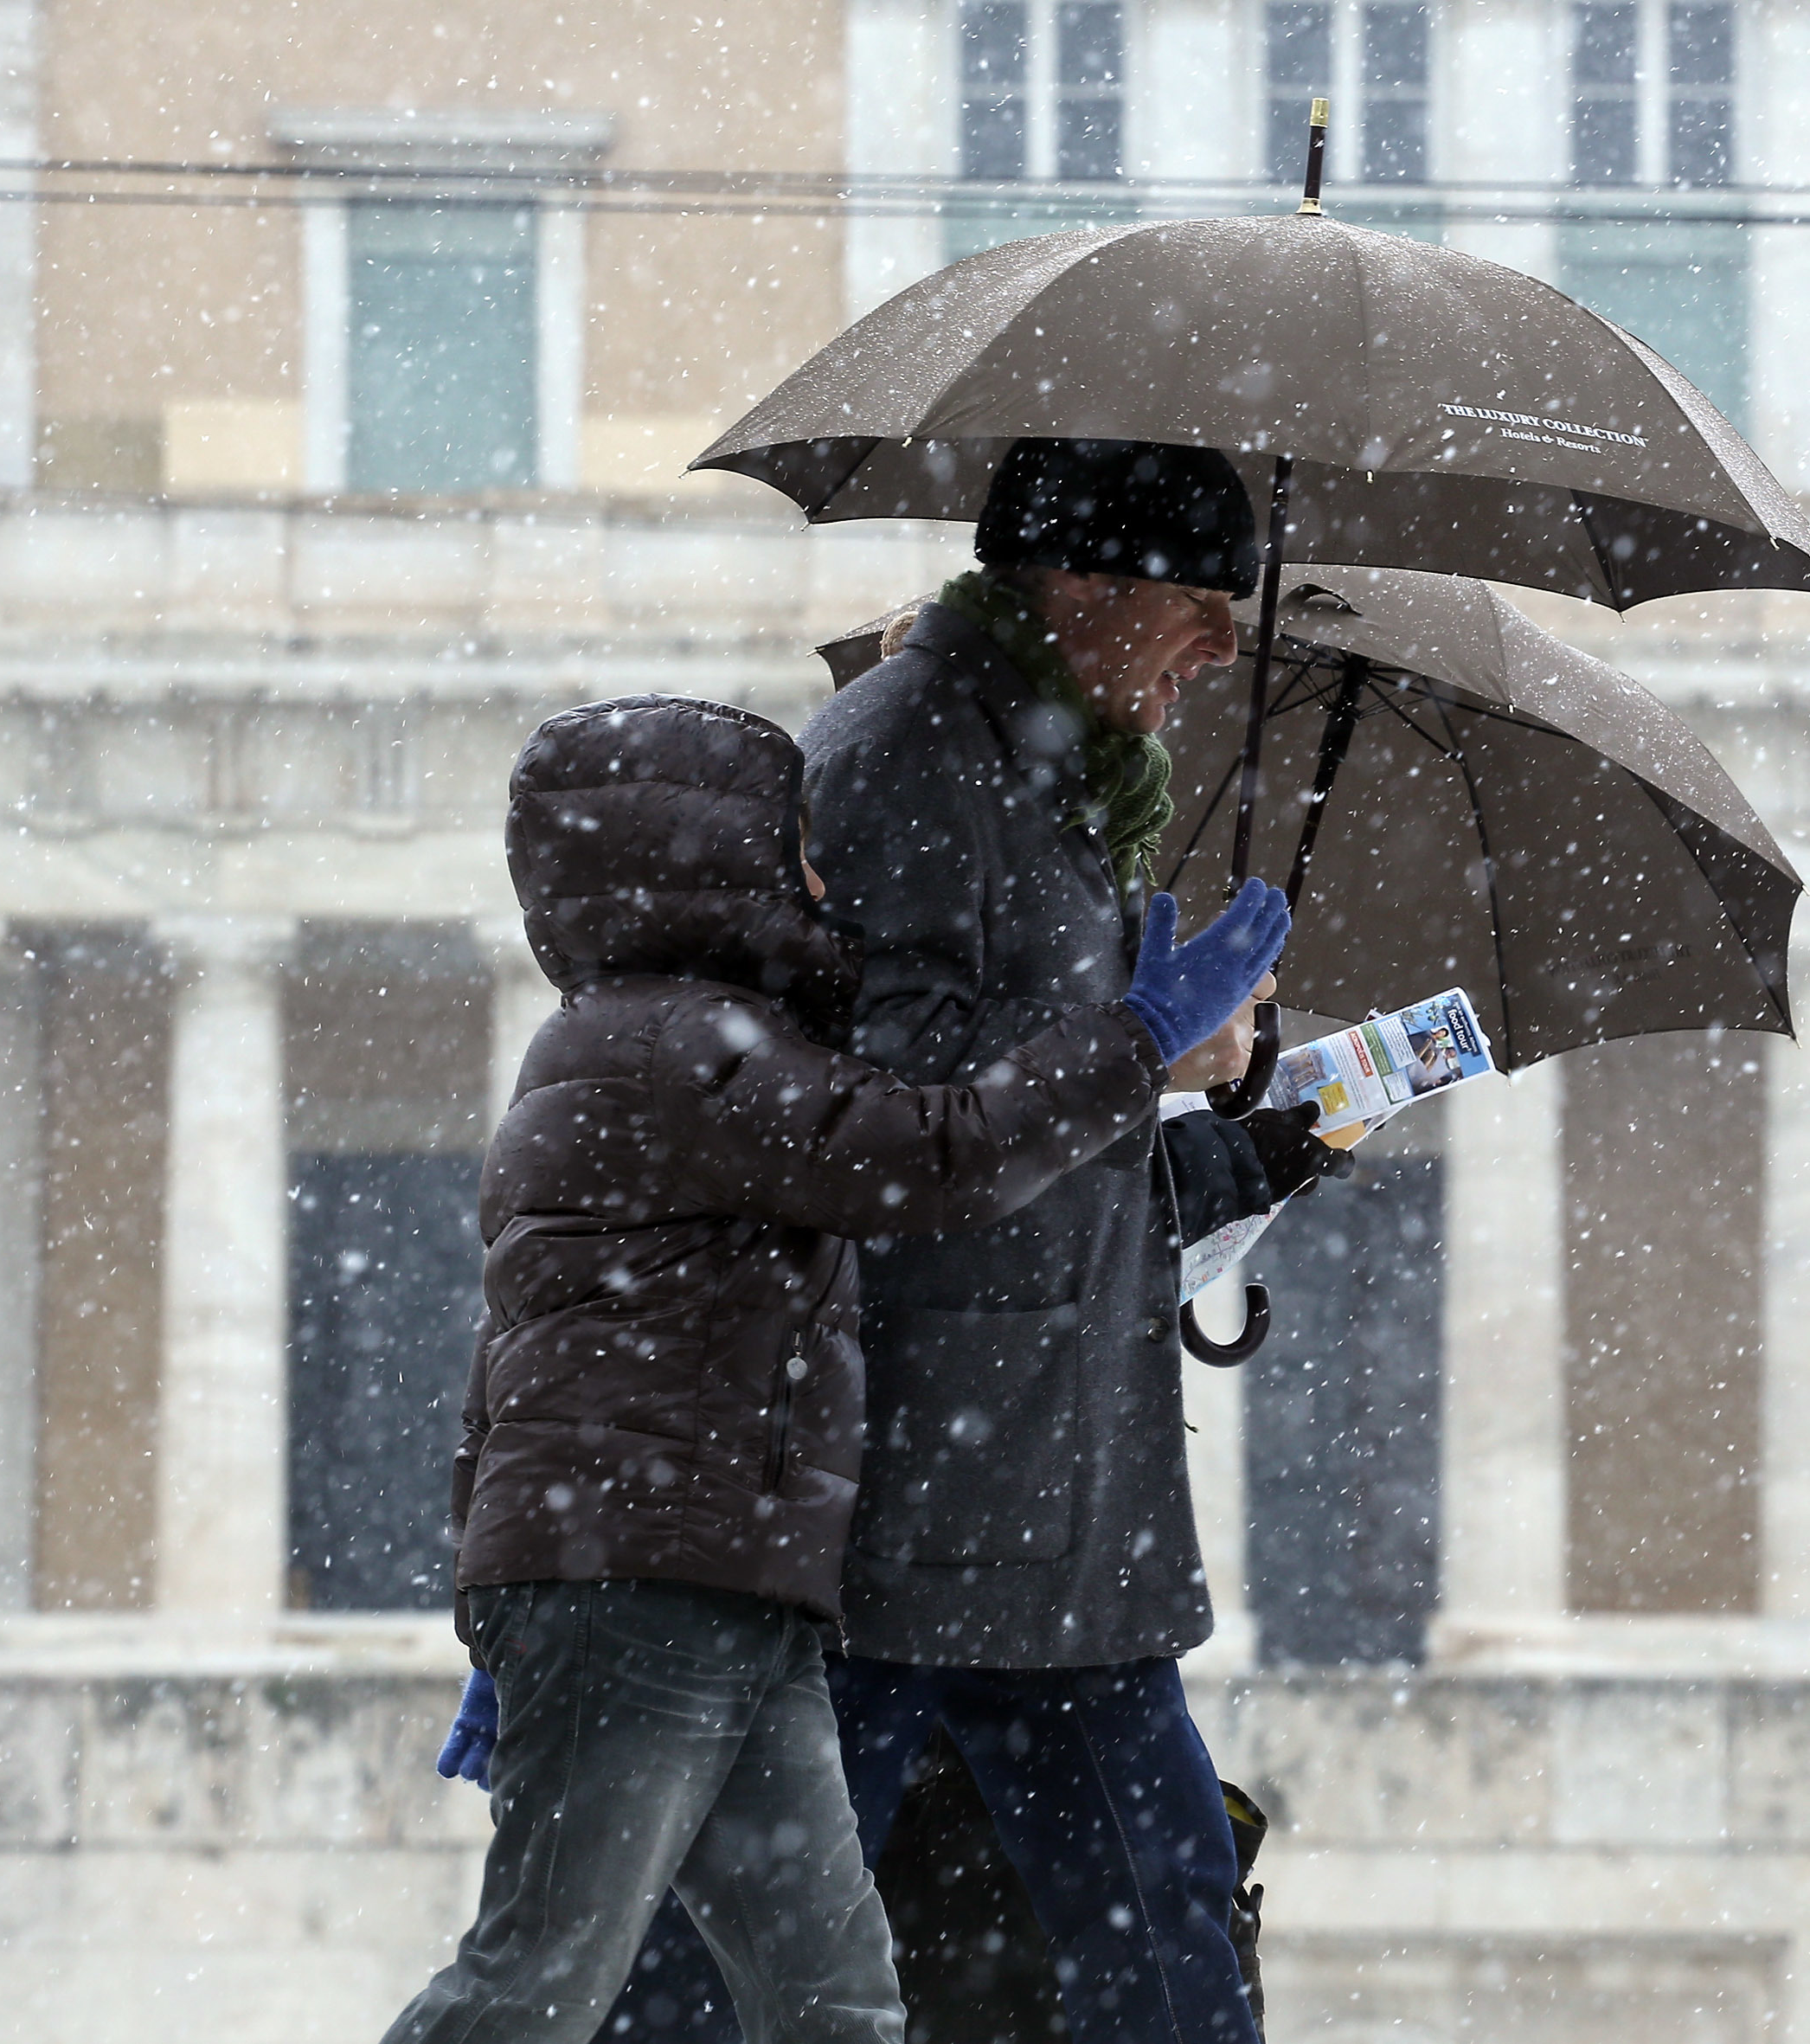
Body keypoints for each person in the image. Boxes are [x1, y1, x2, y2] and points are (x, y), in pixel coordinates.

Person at [388, 691, 1290, 2044]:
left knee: (833, 1999)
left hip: (728, 1587)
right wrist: (1144, 1036)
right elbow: (937, 1158)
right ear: (709, 867)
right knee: (538, 1981)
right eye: (794, 846)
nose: (823, 875)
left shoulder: (663, 1044)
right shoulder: (685, 1049)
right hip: (652, 1588)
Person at [781, 437, 1328, 2044]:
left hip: (1031, 1498)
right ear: (1079, 584)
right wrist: (1143, 1039)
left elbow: (1055, 1157)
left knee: (1161, 1946)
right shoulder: (905, 756)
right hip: (937, 1487)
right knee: (750, 1953)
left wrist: (1244, 1143)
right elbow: (900, 1116)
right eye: (1201, 601)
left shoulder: (1047, 771)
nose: (1227, 642)